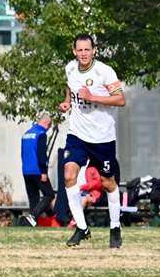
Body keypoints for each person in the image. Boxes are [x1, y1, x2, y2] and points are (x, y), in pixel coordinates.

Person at [59, 33, 126, 248]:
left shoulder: (104, 71)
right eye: (80, 50)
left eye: (87, 49)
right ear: (74, 51)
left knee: (108, 183)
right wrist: (67, 102)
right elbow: (71, 87)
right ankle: (81, 227)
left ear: (93, 50)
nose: (83, 53)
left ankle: (115, 227)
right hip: (77, 134)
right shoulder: (70, 68)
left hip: (102, 137)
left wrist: (93, 97)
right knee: (69, 176)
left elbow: (120, 100)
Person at [18, 114, 56, 227]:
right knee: (49, 194)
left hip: (26, 170)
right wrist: (43, 171)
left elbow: (22, 153)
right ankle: (33, 217)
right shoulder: (41, 134)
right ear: (47, 124)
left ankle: (33, 224)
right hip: (37, 170)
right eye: (49, 126)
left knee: (33, 198)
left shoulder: (26, 134)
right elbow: (41, 154)